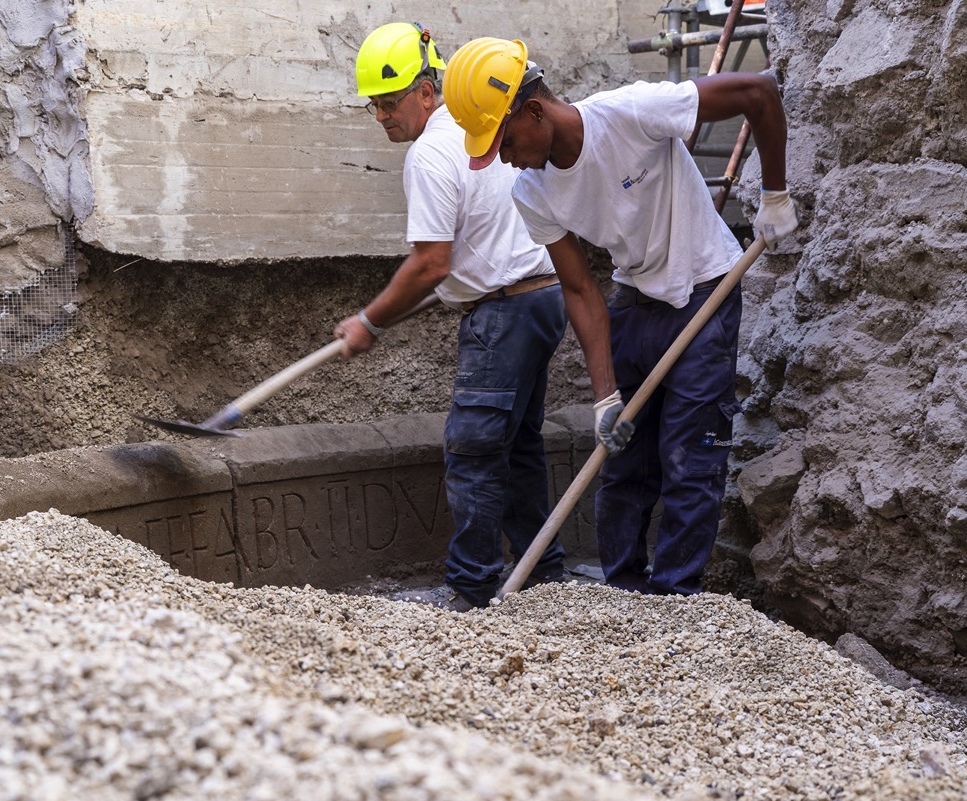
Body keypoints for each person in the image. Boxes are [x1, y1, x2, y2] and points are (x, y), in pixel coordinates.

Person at [442, 38, 800, 596]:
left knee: (689, 459)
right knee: (623, 460)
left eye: (504, 140)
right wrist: (605, 395)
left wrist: (775, 195)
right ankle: (624, 596)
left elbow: (759, 90)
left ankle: (677, 600)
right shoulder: (532, 192)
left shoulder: (630, 113)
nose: (503, 158)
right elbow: (581, 289)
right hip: (635, 300)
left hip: (705, 288)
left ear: (533, 110)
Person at [335, 23, 570, 611]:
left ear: (425, 90)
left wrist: (369, 320)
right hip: (541, 296)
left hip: (506, 310)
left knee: (473, 448)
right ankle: (545, 575)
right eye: (374, 106)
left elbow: (430, 263)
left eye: (390, 102)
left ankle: (469, 588)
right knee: (516, 448)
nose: (383, 116)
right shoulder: (476, 128)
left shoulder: (431, 154)